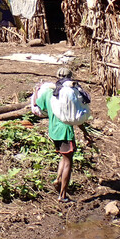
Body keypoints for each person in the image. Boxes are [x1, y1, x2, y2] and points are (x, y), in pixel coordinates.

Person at [35, 66, 92, 203]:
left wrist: (36, 92)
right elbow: (73, 116)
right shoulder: (67, 93)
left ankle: (58, 179)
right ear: (70, 78)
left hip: (53, 130)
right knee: (68, 162)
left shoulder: (50, 93)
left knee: (64, 157)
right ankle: (63, 195)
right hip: (65, 132)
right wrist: (85, 133)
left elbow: (39, 107)